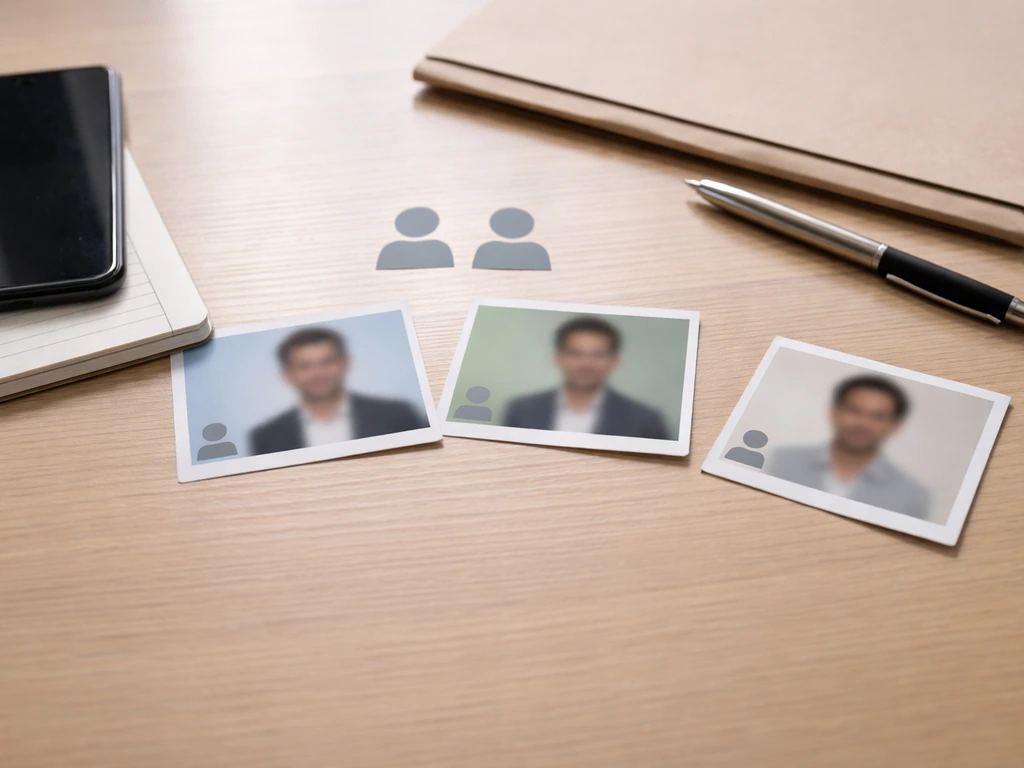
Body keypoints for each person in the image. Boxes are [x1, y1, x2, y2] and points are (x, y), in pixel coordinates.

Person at [765, 375, 930, 519]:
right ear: (833, 413)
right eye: (854, 410)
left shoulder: (911, 496)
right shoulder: (782, 461)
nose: (863, 423)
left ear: (895, 426)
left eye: (878, 417)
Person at [249, 327, 428, 455]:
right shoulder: (266, 437)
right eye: (304, 366)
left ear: (345, 363)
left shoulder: (398, 415)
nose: (318, 374)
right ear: (287, 375)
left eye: (326, 362)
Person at [502, 316, 669, 439]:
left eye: (598, 355)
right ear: (558, 358)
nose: (586, 363)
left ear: (614, 361)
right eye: (575, 354)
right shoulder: (520, 411)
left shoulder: (645, 420)